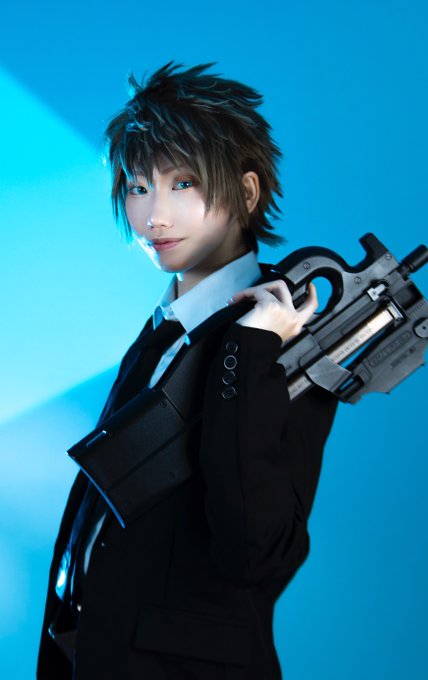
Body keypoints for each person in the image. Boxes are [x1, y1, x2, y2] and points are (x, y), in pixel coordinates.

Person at [37, 61, 338, 679]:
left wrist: (248, 351)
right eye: (138, 187)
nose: (154, 217)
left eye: (183, 184)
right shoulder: (162, 328)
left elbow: (257, 553)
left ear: (246, 193)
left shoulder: (284, 340)